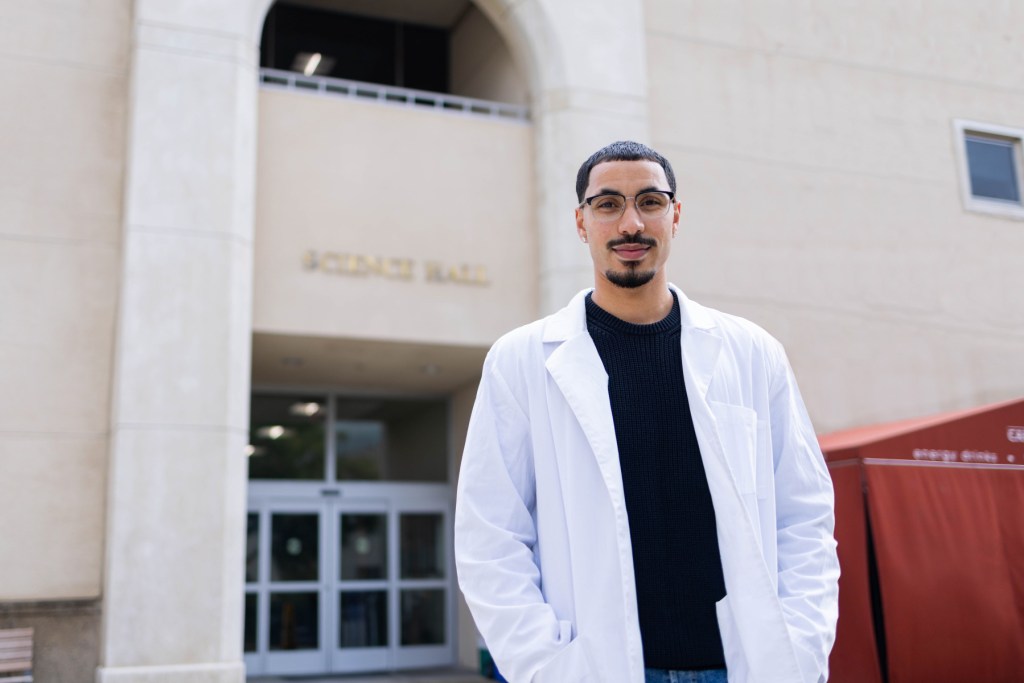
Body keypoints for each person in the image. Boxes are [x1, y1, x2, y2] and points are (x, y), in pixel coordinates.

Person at [454, 141, 839, 683]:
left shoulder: (754, 354)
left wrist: (799, 650)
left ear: (675, 216)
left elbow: (804, 517)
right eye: (608, 204)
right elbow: (490, 535)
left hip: (745, 669)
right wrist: (549, 666)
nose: (630, 223)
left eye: (650, 202)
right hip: (596, 671)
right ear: (581, 222)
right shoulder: (520, 361)